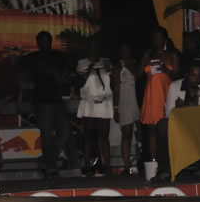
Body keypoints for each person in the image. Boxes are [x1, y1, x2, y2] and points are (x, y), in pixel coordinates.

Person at [17, 31, 77, 176]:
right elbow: (20, 74)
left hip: (56, 99)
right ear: (38, 43)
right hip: (41, 101)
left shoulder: (57, 56)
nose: (46, 43)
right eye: (43, 41)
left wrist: (63, 77)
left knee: (64, 131)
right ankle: (50, 166)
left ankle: (46, 161)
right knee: (47, 135)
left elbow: (67, 73)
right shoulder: (32, 58)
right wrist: (28, 88)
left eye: (48, 41)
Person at [152, 62, 200, 181]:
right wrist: (180, 110)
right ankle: (164, 169)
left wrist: (184, 107)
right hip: (179, 125)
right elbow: (169, 114)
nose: (196, 79)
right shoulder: (175, 86)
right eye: (193, 75)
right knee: (162, 125)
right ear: (186, 75)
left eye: (199, 76)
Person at [138, 27, 181, 164]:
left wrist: (165, 70)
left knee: (166, 128)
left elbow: (178, 77)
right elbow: (138, 75)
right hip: (151, 95)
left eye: (160, 38)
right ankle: (154, 161)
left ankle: (169, 161)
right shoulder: (149, 56)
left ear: (165, 40)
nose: (157, 41)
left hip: (166, 94)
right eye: (154, 38)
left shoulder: (172, 55)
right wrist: (144, 57)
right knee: (151, 129)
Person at [75, 41, 113, 175]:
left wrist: (109, 69)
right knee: (88, 136)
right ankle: (87, 166)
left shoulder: (106, 61)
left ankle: (108, 167)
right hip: (89, 101)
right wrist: (91, 67)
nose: (94, 49)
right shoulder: (82, 63)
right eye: (91, 47)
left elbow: (112, 79)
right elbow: (79, 82)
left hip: (104, 101)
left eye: (96, 47)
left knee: (104, 136)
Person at [112, 42, 140, 174]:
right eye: (122, 50)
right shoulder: (118, 68)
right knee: (127, 134)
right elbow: (116, 89)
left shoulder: (136, 64)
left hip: (138, 100)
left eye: (126, 49)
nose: (125, 52)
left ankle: (143, 162)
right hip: (125, 101)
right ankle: (127, 165)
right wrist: (115, 108)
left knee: (141, 132)